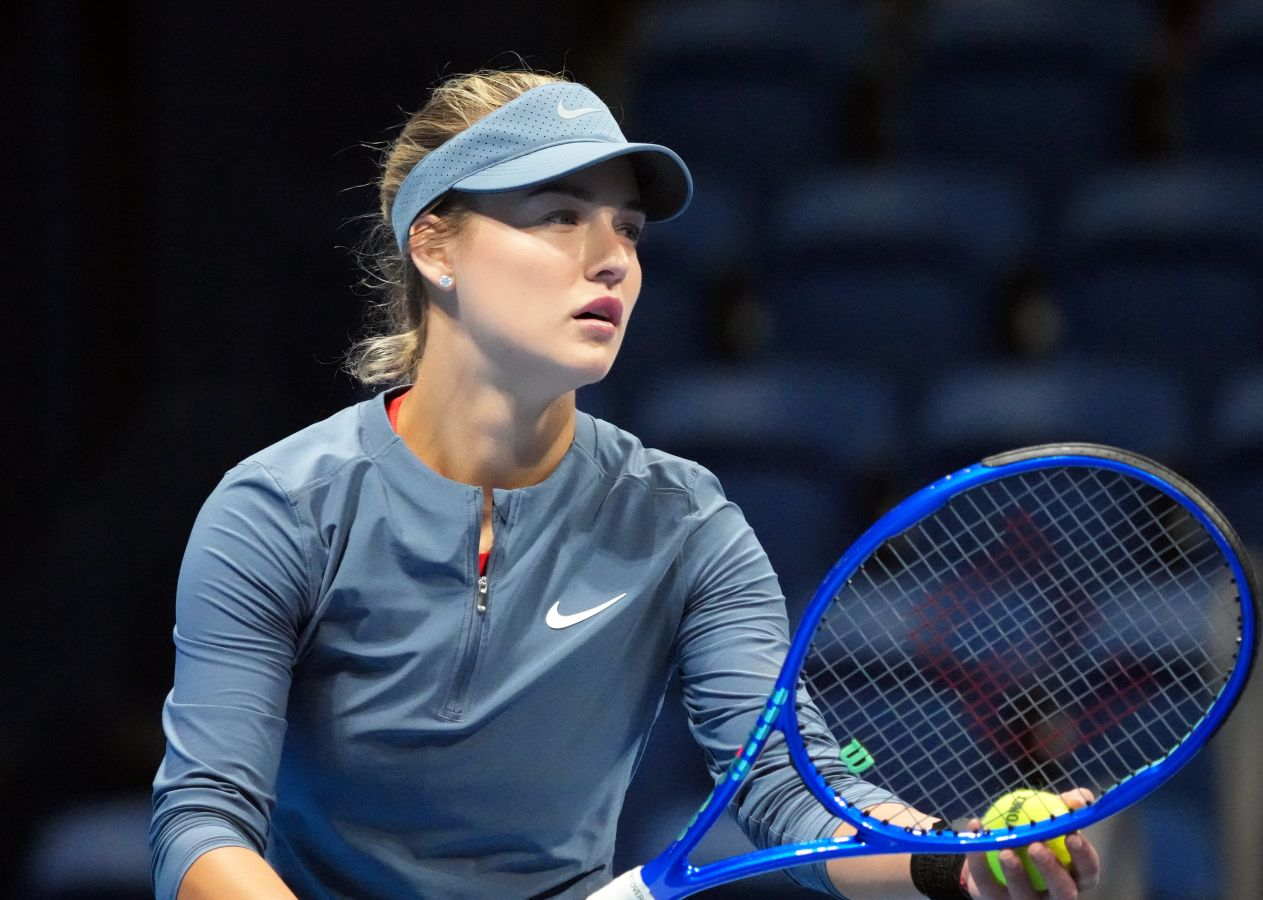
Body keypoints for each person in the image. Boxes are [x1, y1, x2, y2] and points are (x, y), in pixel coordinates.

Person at [149, 68, 1101, 900]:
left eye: (627, 230)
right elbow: (203, 823)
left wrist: (956, 858)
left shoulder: (683, 522)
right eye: (560, 215)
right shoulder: (280, 510)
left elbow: (791, 788)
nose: (611, 258)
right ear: (434, 248)